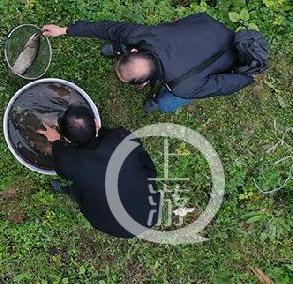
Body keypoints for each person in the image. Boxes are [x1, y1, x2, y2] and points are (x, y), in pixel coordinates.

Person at [41, 13, 255, 113]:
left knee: (170, 100)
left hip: (225, 50)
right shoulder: (144, 35)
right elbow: (106, 28)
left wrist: (247, 76)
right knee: (122, 36)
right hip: (207, 28)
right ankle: (119, 47)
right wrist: (64, 30)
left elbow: (229, 84)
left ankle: (158, 103)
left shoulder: (186, 85)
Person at [37, 105, 160, 239]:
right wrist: (102, 132)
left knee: (80, 189)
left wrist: (55, 140)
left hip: (115, 224)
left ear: (68, 140)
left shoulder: (70, 161)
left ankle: (68, 191)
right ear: (95, 123)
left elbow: (62, 168)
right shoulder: (122, 136)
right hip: (150, 210)